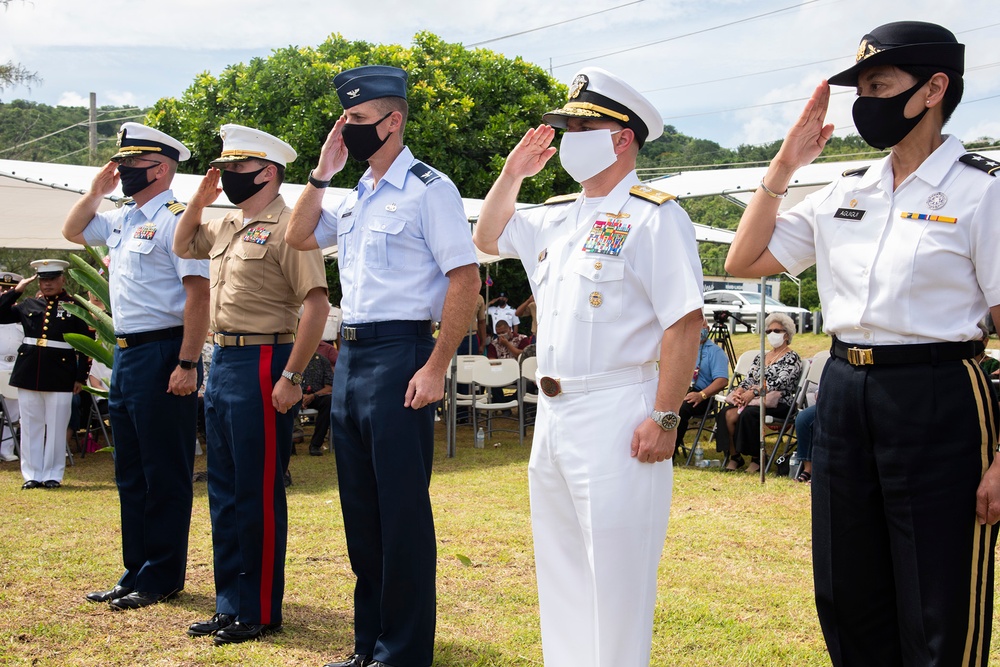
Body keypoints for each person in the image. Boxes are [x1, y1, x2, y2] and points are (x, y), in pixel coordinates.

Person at [724, 21, 1000, 666]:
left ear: (934, 88)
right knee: (846, 589)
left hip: (938, 391)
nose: (864, 102)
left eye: (880, 84)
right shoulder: (845, 190)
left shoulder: (982, 190)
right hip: (846, 389)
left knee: (939, 597)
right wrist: (786, 165)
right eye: (860, 88)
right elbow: (744, 258)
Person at [473, 67, 703, 667]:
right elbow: (488, 234)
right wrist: (510, 175)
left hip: (618, 407)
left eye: (582, 125)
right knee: (562, 564)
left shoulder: (656, 216)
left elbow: (684, 323)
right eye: (566, 124)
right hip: (553, 411)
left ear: (622, 137)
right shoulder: (556, 215)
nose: (568, 135)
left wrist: (667, 416)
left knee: (618, 575)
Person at [285, 65, 480, 667]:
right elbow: (296, 236)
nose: (349, 129)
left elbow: (464, 279)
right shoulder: (354, 196)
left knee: (401, 513)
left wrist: (435, 364)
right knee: (361, 513)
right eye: (345, 120)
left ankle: (403, 650)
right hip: (352, 357)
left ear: (392, 121)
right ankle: (368, 644)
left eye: (360, 120)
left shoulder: (429, 189)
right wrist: (322, 171)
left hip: (402, 353)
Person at [172, 124, 329, 645]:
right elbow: (182, 242)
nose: (226, 176)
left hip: (267, 359)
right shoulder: (227, 222)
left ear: (268, 172)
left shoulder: (291, 226)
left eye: (236, 169)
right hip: (224, 362)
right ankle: (229, 604)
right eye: (223, 167)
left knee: (257, 492)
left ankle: (259, 610)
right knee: (222, 490)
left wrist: (292, 376)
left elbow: (315, 304)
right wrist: (199, 199)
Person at [62, 122, 211, 611]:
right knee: (130, 471)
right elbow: (73, 230)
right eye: (121, 163)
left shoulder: (177, 218)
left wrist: (188, 362)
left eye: (132, 163)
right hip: (127, 353)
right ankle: (135, 570)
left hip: (166, 351)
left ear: (161, 168)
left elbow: (197, 296)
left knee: (163, 469)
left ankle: (163, 575)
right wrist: (94, 191)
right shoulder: (122, 217)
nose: (122, 170)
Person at [0, 260, 91, 488]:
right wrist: (16, 290)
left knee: (57, 426)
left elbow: (86, 345)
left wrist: (80, 377)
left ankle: (53, 474)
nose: (47, 284)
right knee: (30, 426)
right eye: (43, 280)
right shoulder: (29, 304)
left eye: (52, 279)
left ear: (62, 280)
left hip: (61, 374)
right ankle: (31, 475)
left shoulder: (74, 306)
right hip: (29, 372)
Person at [716, 313, 802, 473]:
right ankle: (735, 457)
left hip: (780, 403)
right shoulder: (761, 357)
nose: (771, 335)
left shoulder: (792, 357)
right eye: (768, 331)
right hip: (755, 399)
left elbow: (779, 383)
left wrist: (753, 392)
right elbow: (748, 379)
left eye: (776, 331)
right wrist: (740, 392)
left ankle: (758, 458)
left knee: (749, 414)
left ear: (787, 334)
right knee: (727, 413)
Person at [675, 316, 730, 449]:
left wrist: (701, 395)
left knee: (680, 409)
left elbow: (722, 380)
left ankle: (671, 451)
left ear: (707, 329)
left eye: (702, 326)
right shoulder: (683, 348)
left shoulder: (715, 352)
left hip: (703, 395)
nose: (699, 330)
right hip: (681, 390)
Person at [0, 271, 24, 463]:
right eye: (2, 289)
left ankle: (6, 448)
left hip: (14, 368)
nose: (5, 293)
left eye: (9, 290)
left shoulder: (21, 316)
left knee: (13, 412)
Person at [300, 350, 334, 456]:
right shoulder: (292, 361)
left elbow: (330, 387)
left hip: (316, 396)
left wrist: (313, 396)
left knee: (329, 401)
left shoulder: (323, 361)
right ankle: (290, 446)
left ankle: (315, 445)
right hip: (295, 396)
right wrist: (299, 396)